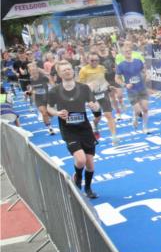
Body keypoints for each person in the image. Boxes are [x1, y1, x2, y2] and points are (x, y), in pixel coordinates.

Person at [46, 61, 102, 199]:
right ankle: (77, 178)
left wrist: (94, 107)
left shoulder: (83, 88)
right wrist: (57, 113)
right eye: (64, 70)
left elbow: (96, 106)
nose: (67, 71)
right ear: (59, 74)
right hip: (69, 130)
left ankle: (88, 188)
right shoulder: (54, 91)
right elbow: (49, 108)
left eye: (69, 69)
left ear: (73, 71)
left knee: (90, 164)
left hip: (85, 129)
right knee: (81, 160)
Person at [78, 52, 118, 144]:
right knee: (98, 117)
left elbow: (103, 80)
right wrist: (89, 86)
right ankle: (95, 124)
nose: (95, 62)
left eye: (97, 60)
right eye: (92, 60)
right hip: (92, 96)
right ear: (88, 60)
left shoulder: (101, 68)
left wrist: (109, 87)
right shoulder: (83, 70)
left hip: (103, 93)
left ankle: (114, 137)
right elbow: (80, 85)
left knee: (108, 115)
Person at [116, 41, 150, 133]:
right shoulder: (121, 65)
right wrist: (125, 85)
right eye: (126, 51)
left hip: (142, 88)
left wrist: (147, 75)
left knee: (145, 109)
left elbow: (144, 70)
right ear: (123, 54)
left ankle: (145, 127)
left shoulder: (138, 61)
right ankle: (135, 117)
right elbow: (117, 78)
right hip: (132, 91)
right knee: (138, 111)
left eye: (129, 51)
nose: (128, 52)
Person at [26, 63, 56, 135]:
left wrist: (54, 89)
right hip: (38, 98)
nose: (33, 72)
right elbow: (32, 88)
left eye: (34, 70)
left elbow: (51, 82)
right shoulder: (30, 79)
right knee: (44, 113)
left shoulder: (43, 77)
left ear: (37, 70)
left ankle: (48, 117)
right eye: (31, 70)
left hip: (47, 97)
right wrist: (28, 92)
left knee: (51, 114)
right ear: (29, 71)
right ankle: (50, 128)